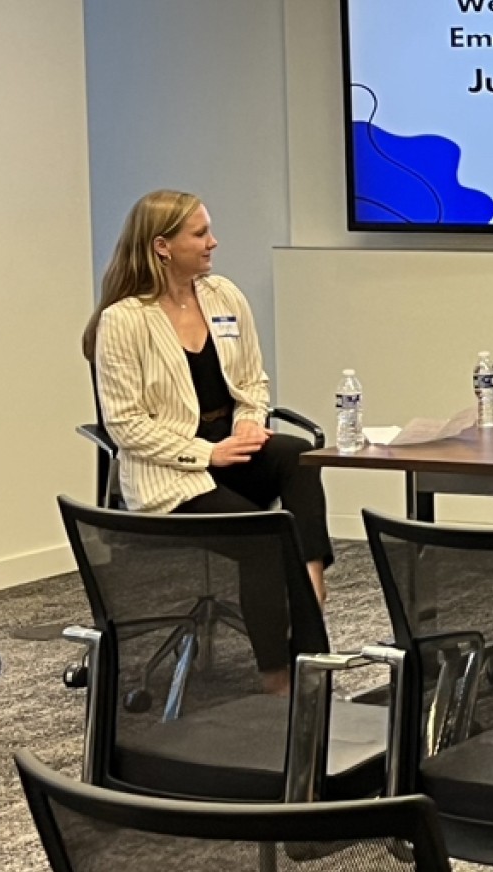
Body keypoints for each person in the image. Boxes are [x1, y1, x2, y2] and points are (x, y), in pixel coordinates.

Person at [85, 190, 331, 694]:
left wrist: (248, 422)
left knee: (298, 457)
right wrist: (207, 452)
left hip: (228, 451)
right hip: (169, 474)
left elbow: (253, 382)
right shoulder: (124, 320)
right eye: (199, 234)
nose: (213, 242)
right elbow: (126, 425)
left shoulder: (223, 296)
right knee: (264, 536)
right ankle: (278, 681)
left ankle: (312, 592)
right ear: (161, 247)